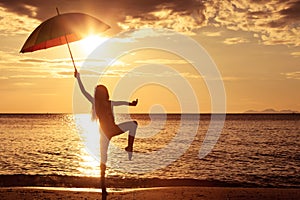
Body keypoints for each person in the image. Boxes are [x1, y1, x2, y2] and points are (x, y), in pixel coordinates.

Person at [74, 70, 138, 195]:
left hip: (114, 129)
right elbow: (84, 92)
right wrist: (78, 78)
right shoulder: (95, 103)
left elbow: (121, 102)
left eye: (102, 91)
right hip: (104, 134)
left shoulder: (110, 103)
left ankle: (129, 147)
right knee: (104, 159)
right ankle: (103, 187)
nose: (101, 94)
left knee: (134, 124)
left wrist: (132, 104)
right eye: (99, 92)